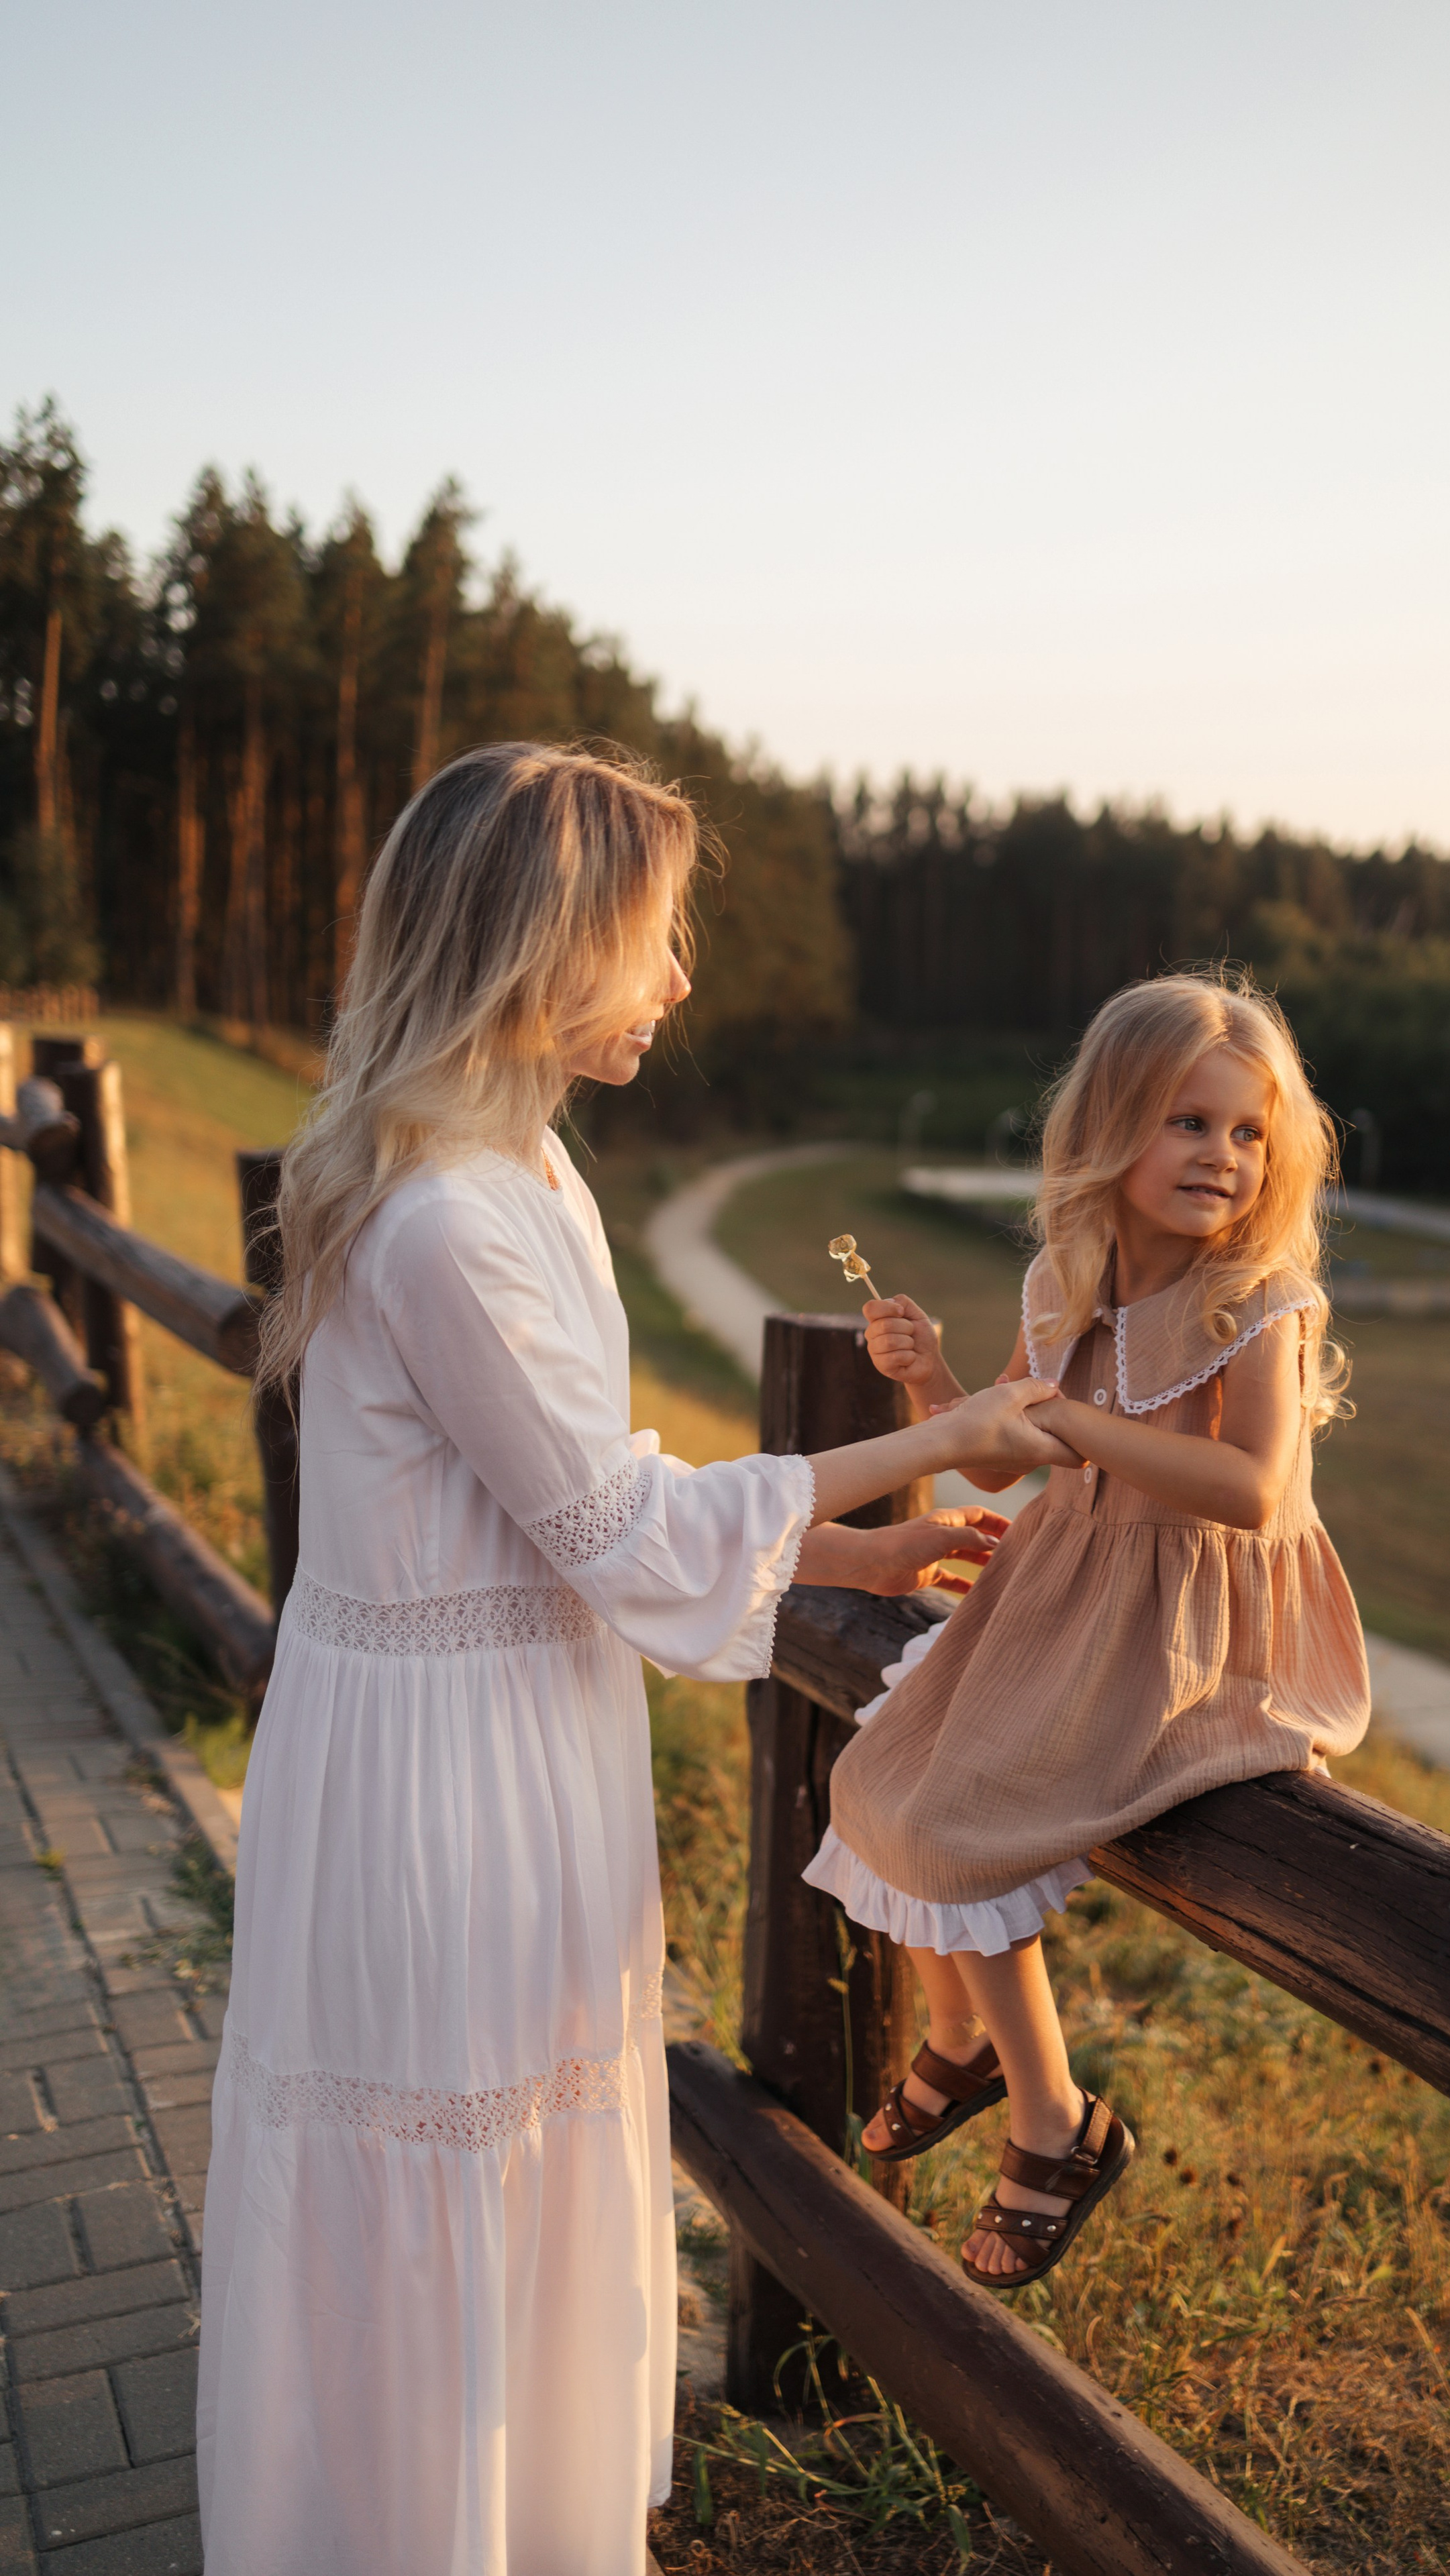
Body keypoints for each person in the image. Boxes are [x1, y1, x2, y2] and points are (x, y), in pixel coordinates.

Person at [195, 742, 1073, 2576]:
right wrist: (946, 1432)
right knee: (445, 2180)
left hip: (507, 1737)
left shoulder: (521, 1172)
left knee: (508, 2181)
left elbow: (584, 1495)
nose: (679, 981)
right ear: (543, 946)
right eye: (656, 939)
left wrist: (861, 1546)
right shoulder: (444, 1220)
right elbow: (612, 1533)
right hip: (442, 1785)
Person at [805, 972, 1370, 2290]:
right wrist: (932, 1379)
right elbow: (1000, 1462)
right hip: (1075, 1587)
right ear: (1111, 1129)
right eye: (1187, 1124)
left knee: (965, 1826)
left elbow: (1251, 1490)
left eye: (1245, 1133)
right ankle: (958, 2036)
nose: (1220, 1159)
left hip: (1197, 1624)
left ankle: (1054, 2122)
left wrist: (1076, 1431)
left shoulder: (1258, 1307)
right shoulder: (1068, 1280)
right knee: (871, 1778)